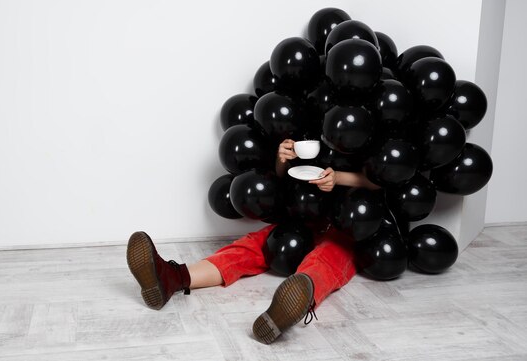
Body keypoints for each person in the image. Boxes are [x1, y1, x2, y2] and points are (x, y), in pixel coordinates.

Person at [126, 139, 380, 344]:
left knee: (328, 258)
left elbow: (386, 180)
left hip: (352, 223)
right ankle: (171, 278)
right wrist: (282, 159)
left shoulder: (372, 125)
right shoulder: (315, 109)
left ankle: (292, 304)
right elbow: (289, 176)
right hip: (307, 214)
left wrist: (339, 178)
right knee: (253, 245)